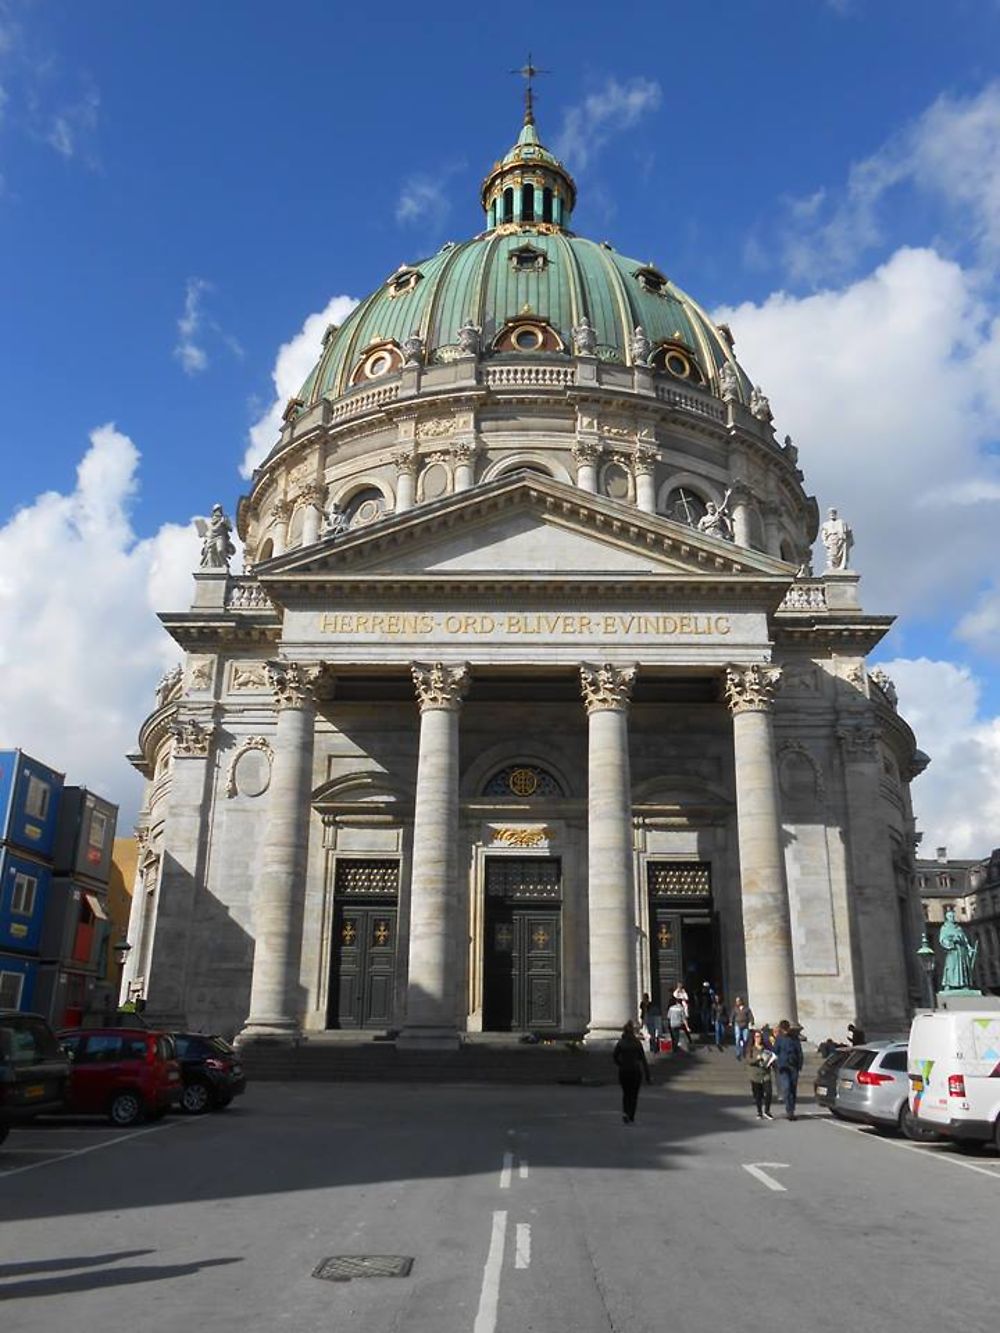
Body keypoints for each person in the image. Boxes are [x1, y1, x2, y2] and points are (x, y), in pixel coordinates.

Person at [612, 1021, 651, 1123]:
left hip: (624, 1071)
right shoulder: (637, 1043)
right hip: (635, 1071)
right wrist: (648, 1075)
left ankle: (625, 1112)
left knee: (626, 1094)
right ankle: (631, 1114)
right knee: (634, 1095)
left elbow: (615, 1057)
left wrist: (620, 1064)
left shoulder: (621, 1043)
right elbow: (643, 1059)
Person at [938, 906, 978, 990]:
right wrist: (951, 941)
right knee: (951, 968)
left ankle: (963, 984)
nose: (952, 918)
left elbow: (965, 940)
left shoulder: (959, 928)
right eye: (950, 916)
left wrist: (970, 949)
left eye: (953, 916)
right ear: (946, 917)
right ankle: (949, 984)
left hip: (961, 951)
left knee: (963, 968)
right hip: (953, 951)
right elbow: (942, 939)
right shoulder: (944, 928)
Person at [773, 1019, 804, 1120]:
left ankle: (792, 1110)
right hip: (783, 1067)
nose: (786, 1031)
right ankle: (789, 1110)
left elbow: (799, 1052)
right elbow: (775, 1051)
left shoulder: (794, 1039)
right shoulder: (779, 1039)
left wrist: (800, 1065)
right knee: (786, 1088)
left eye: (787, 1029)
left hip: (793, 1066)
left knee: (793, 1089)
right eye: (784, 1030)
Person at [746, 1029, 776, 1119]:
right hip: (755, 1074)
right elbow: (749, 1060)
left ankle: (767, 1111)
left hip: (765, 1073)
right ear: (753, 1038)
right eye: (756, 1037)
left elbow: (770, 1056)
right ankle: (759, 1112)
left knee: (769, 1092)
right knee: (758, 1095)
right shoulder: (750, 1049)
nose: (758, 1038)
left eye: (759, 1037)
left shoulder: (765, 1048)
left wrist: (771, 1061)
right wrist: (757, 1059)